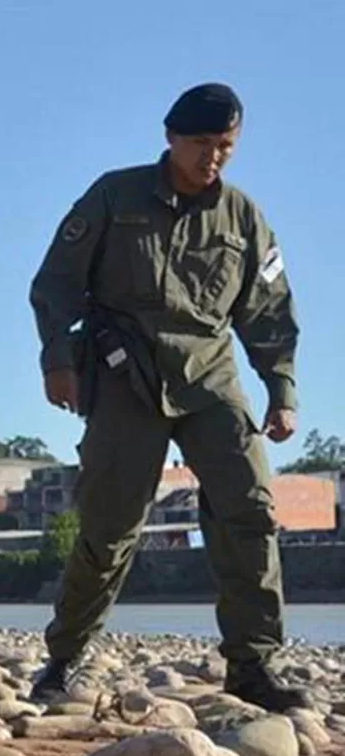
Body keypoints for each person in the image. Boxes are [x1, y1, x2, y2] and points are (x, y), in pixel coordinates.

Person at [27, 83, 309, 712]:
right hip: (126, 375)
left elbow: (268, 313)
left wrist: (280, 390)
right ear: (172, 137)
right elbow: (55, 284)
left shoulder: (243, 218)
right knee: (110, 525)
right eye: (203, 144)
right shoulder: (113, 195)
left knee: (249, 509)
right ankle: (65, 657)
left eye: (226, 146)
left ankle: (253, 664)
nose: (214, 157)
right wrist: (57, 360)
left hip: (210, 377)